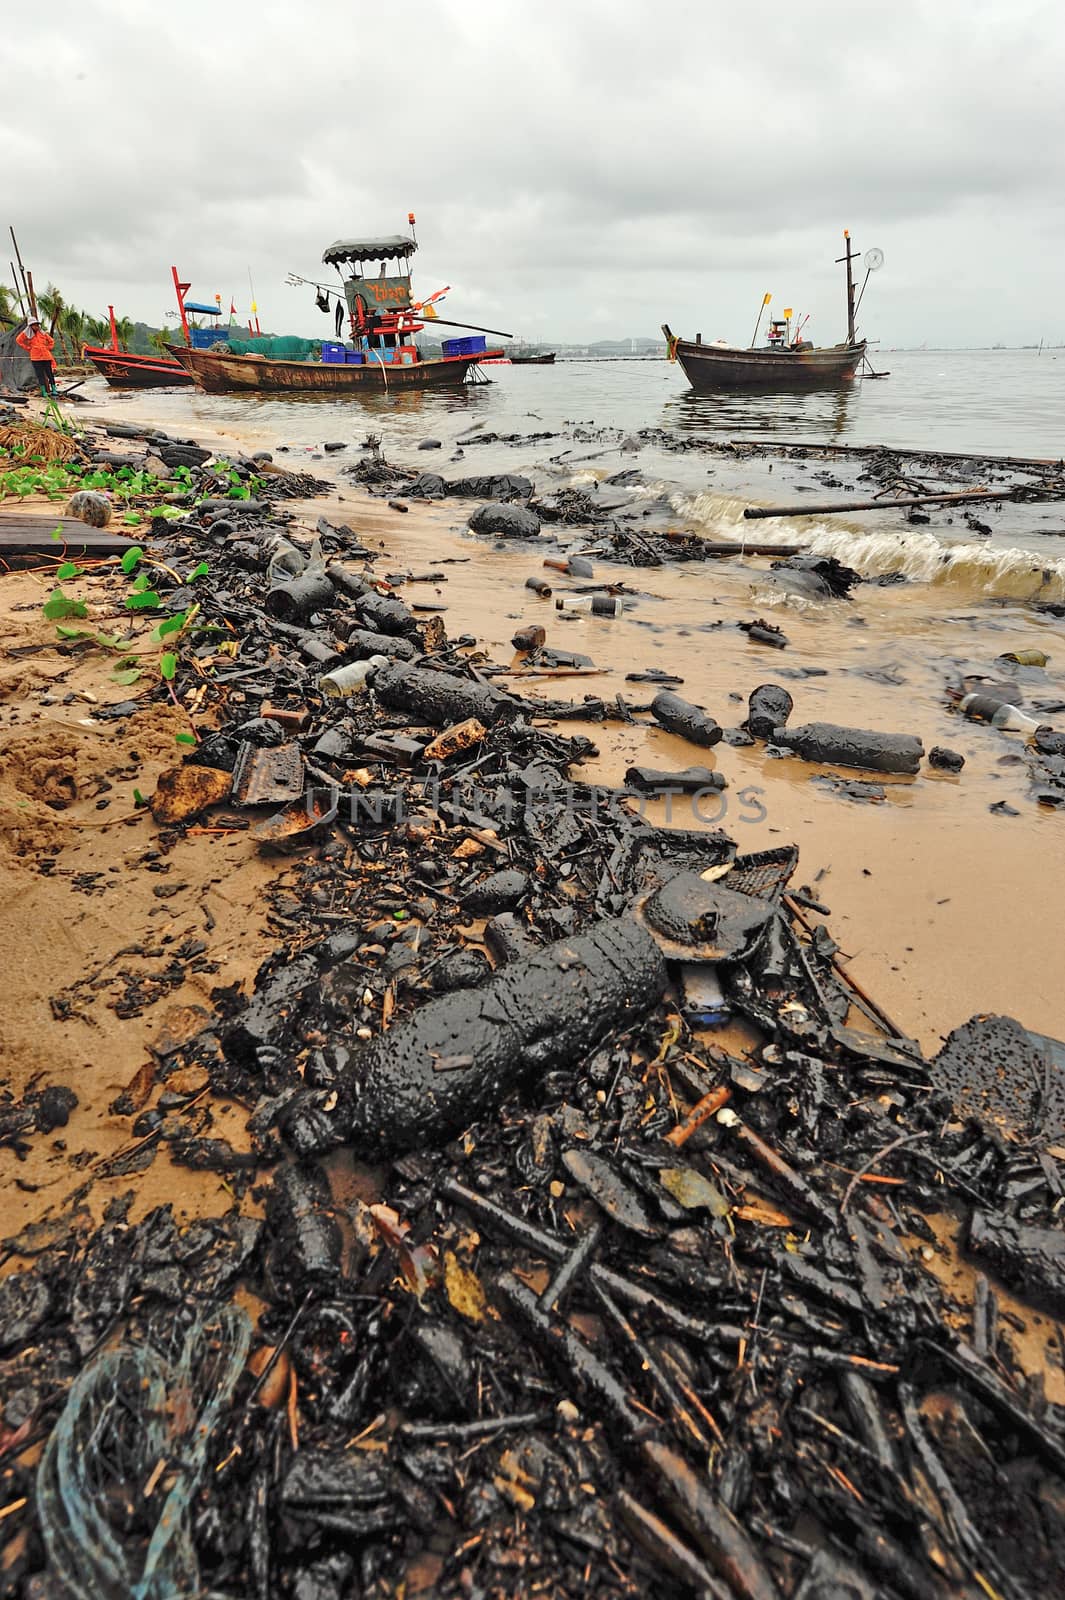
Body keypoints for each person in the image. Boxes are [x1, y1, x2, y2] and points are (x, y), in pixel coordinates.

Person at [15, 315, 58, 395]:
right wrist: (28, 348)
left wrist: (48, 347)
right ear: (30, 326)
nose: (37, 326)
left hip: (46, 356)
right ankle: (44, 391)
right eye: (34, 325)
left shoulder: (42, 333)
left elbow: (51, 341)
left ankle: (54, 389)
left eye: (37, 324)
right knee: (40, 375)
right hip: (36, 358)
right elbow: (18, 340)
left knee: (50, 374)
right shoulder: (26, 334)